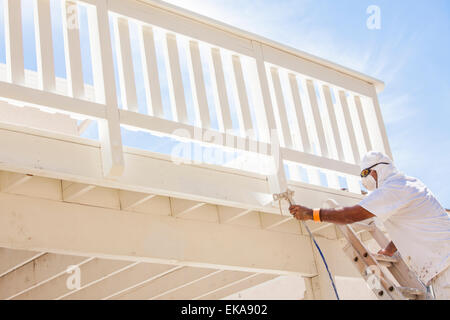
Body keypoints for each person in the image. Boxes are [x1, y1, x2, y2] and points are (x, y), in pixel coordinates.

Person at [289, 150, 450, 299]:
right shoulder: (409, 184)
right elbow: (411, 228)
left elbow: (351, 215)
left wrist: (312, 213)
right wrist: (389, 250)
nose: (363, 180)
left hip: (445, 269)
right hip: (442, 266)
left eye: (364, 173)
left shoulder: (393, 189)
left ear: (376, 171)